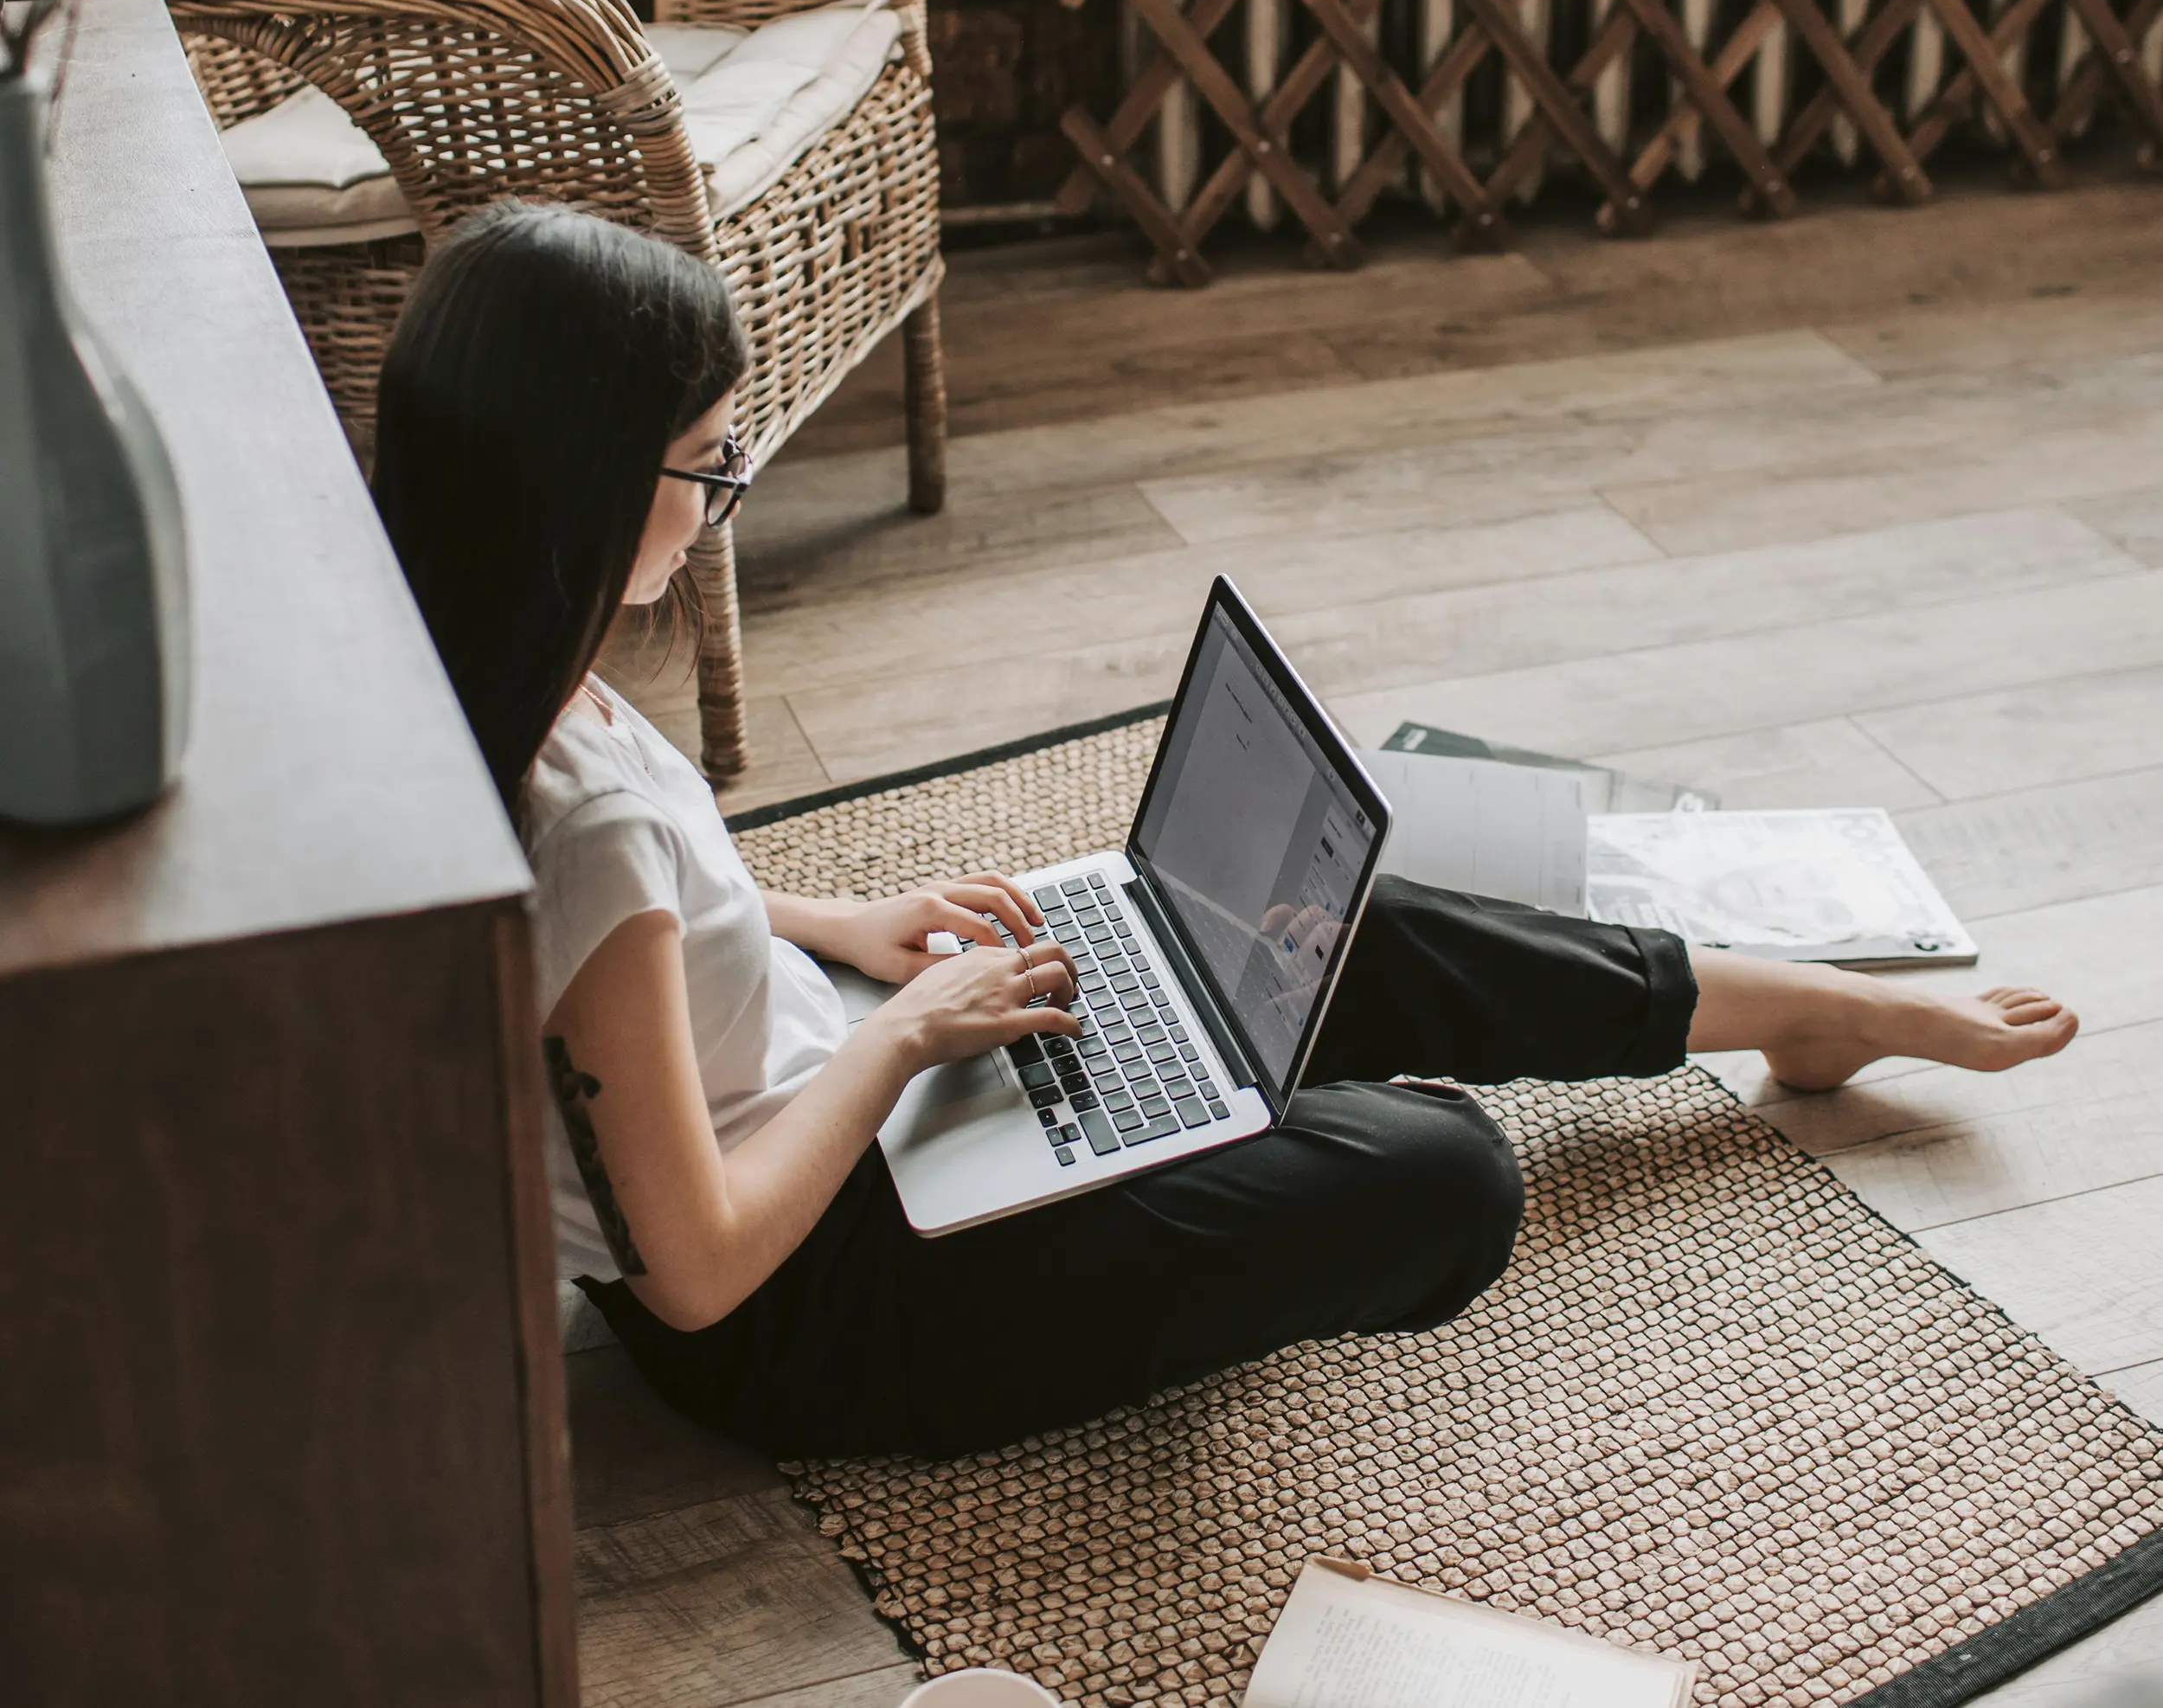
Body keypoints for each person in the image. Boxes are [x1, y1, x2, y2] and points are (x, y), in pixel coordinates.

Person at [372, 202, 2080, 1462]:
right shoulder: (568, 811)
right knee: (1439, 1173)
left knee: (1326, 926)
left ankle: (1789, 1002)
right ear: (589, 483)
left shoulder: (483, 660)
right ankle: (1186, 1113)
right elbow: (697, 1272)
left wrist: (842, 926)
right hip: (825, 1310)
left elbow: (646, 916)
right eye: (705, 465)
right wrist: (903, 1039)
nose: (723, 492)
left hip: (839, 1109)